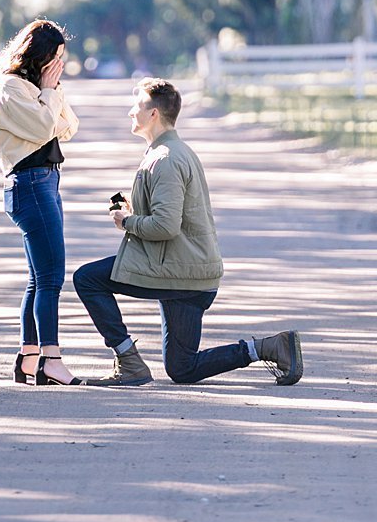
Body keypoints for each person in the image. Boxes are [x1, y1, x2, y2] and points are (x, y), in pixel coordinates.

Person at [74, 79, 304, 386]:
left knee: (87, 279)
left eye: (137, 106)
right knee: (182, 369)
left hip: (180, 272)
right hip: (191, 271)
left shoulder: (166, 159)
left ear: (153, 113)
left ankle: (127, 360)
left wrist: (127, 222)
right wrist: (135, 211)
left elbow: (166, 227)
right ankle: (267, 347)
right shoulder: (172, 151)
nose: (131, 112)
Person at [0, 19, 83, 386]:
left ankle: (29, 358)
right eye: (55, 58)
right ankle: (51, 359)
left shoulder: (36, 88)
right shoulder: (10, 88)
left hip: (47, 181)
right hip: (30, 182)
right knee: (52, 278)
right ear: (38, 54)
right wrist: (48, 96)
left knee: (37, 279)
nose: (59, 67)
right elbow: (45, 128)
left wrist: (48, 95)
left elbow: (69, 126)